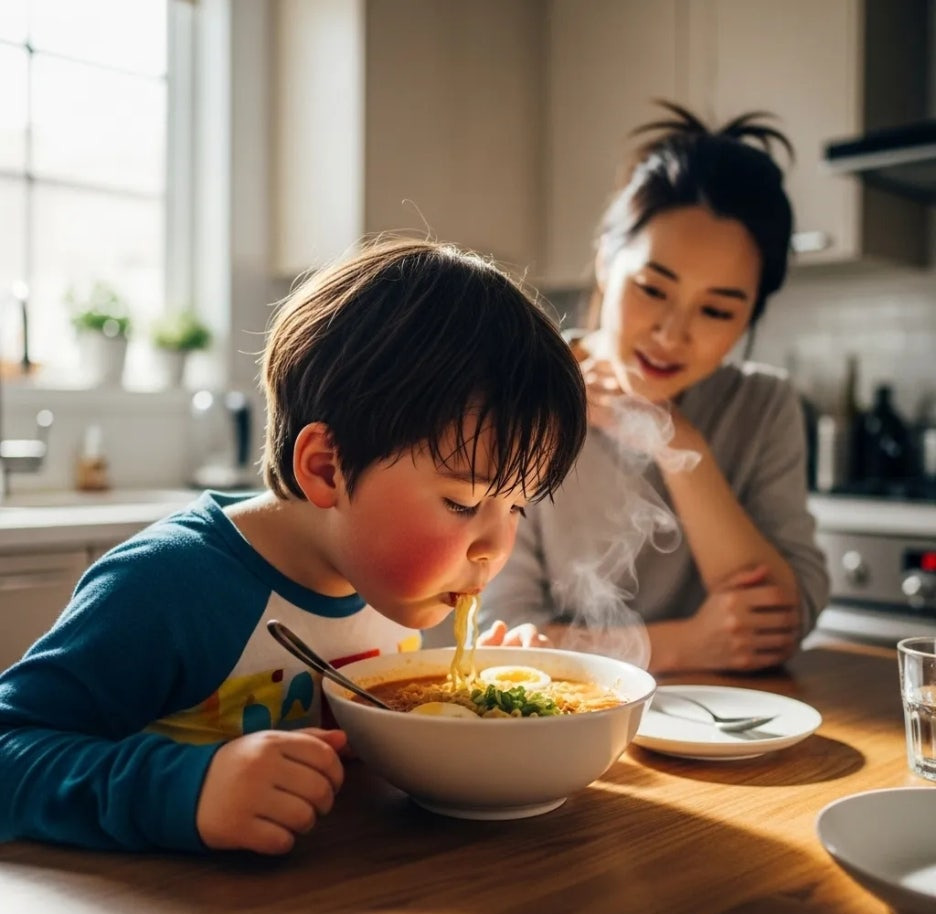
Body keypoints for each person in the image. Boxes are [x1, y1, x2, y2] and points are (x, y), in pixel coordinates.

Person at [0, 238, 586, 855]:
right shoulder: (170, 587)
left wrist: (476, 703)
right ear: (328, 468)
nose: (495, 547)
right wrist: (188, 791)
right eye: (464, 504)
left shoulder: (385, 584)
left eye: (516, 506)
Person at [482, 102, 829, 674]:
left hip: (731, 727)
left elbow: (782, 620)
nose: (672, 334)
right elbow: (499, 637)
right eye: (651, 288)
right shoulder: (520, 394)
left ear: (748, 319)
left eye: (716, 310)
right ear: (604, 262)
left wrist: (679, 447)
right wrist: (686, 645)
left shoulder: (763, 405)